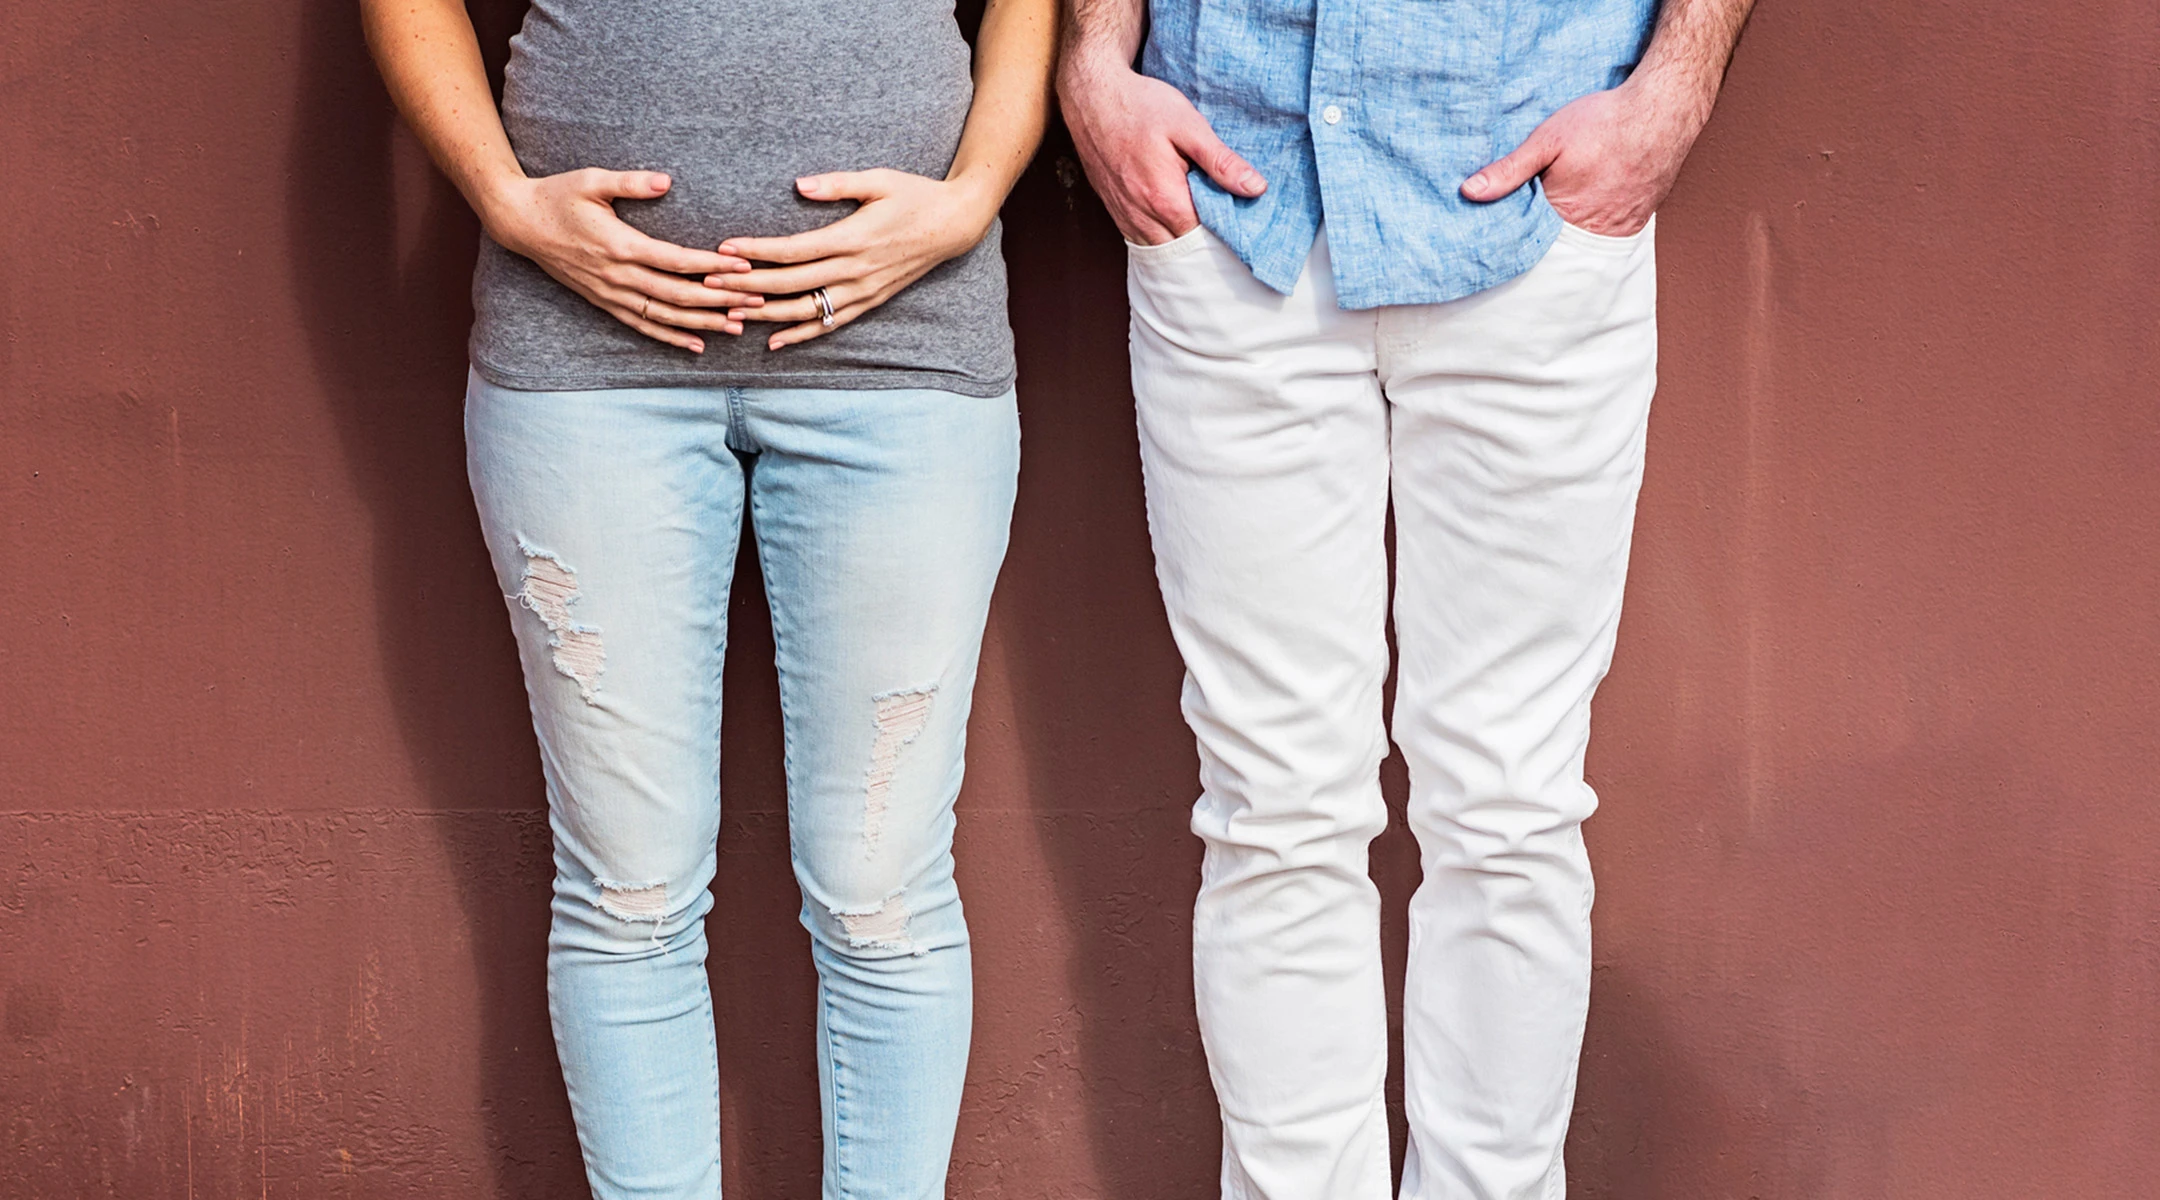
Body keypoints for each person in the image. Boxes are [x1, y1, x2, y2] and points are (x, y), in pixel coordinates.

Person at [1058, 0, 1755, 1196]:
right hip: (1235, 199)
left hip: (1533, 206)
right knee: (1273, 804)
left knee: (1510, 803)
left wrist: (1671, 90)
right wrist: (1094, 64)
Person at [361, 0, 1053, 1196]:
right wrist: (503, 198)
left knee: (885, 894)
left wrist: (973, 193)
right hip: (583, 367)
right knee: (629, 893)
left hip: (902, 361)